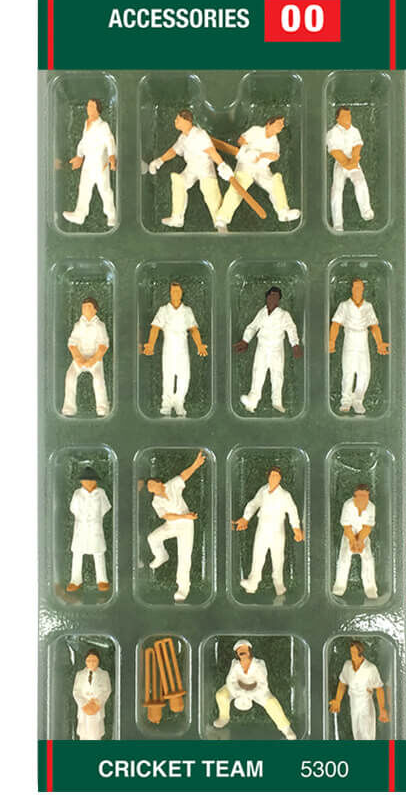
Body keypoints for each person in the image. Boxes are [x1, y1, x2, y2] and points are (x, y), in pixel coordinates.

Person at [212, 114, 300, 230]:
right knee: (238, 187)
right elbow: (241, 140)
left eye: (282, 124)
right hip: (246, 165)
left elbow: (274, 156)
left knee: (275, 181)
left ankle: (283, 212)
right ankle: (222, 219)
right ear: (269, 124)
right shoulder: (256, 130)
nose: (282, 126)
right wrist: (246, 149)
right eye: (279, 123)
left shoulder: (274, 141)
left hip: (262, 168)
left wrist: (261, 155)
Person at [148, 109, 234, 228]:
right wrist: (160, 160)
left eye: (178, 119)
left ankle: (220, 223)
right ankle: (177, 218)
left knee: (210, 191)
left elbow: (211, 151)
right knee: (178, 181)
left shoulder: (200, 134)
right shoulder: (183, 138)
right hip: (191, 168)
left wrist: (222, 165)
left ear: (187, 121)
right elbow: (173, 151)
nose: (175, 121)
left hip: (204, 167)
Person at [142, 450, 206, 602]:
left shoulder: (171, 485)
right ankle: (161, 555)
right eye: (149, 488)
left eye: (151, 484)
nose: (151, 488)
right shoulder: (156, 501)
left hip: (186, 526)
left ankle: (183, 588)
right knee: (152, 538)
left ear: (159, 482)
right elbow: (167, 516)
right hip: (172, 524)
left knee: (184, 557)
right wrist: (184, 516)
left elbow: (184, 475)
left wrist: (196, 464)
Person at [232, 466, 302, 596]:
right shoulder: (263, 491)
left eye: (276, 476)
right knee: (258, 554)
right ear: (268, 477)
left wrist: (296, 529)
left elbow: (292, 511)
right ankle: (252, 582)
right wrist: (245, 518)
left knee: (277, 557)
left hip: (277, 529)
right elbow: (254, 504)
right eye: (272, 476)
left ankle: (279, 585)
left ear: (280, 479)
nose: (274, 478)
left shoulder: (285, 495)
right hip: (262, 527)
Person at [142, 281, 207, 417]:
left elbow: (193, 329)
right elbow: (155, 328)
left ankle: (179, 403)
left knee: (184, 376)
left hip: (183, 349)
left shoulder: (187, 311)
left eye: (178, 291)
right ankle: (166, 405)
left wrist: (199, 345)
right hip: (169, 349)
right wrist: (150, 344)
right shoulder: (163, 310)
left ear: (182, 293)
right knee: (168, 376)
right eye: (173, 291)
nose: (175, 294)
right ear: (170, 293)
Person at [235, 285, 301, 414]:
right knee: (258, 373)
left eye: (275, 296)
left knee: (277, 375)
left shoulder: (283, 315)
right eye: (271, 295)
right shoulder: (262, 312)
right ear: (267, 297)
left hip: (276, 348)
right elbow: (253, 326)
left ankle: (277, 402)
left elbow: (291, 329)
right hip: (262, 347)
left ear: (279, 299)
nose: (272, 298)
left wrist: (295, 344)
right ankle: (252, 401)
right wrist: (245, 340)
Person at [328, 278, 389, 414]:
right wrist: (331, 340)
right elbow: (336, 324)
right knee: (348, 371)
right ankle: (345, 401)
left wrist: (379, 343)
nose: (358, 290)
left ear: (363, 289)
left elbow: (374, 326)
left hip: (363, 341)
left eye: (360, 287)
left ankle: (358, 400)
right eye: (355, 287)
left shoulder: (368, 306)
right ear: (351, 289)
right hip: (350, 339)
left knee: (364, 372)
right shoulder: (344, 305)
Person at [213, 639, 295, 739]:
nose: (242, 654)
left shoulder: (259, 664)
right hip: (237, 689)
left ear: (249, 651)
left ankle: (286, 729)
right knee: (221, 695)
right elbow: (230, 680)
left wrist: (251, 692)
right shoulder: (235, 664)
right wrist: (238, 691)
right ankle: (224, 717)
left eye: (244, 651)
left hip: (257, 691)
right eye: (240, 652)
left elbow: (262, 682)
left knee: (272, 703)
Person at [61, 98, 117, 227]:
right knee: (84, 188)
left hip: (100, 163)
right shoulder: (87, 123)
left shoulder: (103, 126)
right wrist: (79, 156)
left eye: (91, 107)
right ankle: (79, 215)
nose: (88, 109)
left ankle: (112, 216)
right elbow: (83, 141)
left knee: (104, 190)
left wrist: (111, 157)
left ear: (98, 110)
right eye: (88, 106)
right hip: (88, 163)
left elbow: (110, 141)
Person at [325, 106, 374, 231]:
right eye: (344, 116)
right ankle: (337, 223)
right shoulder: (332, 133)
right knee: (337, 191)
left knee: (360, 182)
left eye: (349, 115)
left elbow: (357, 146)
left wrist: (354, 161)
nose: (348, 118)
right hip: (340, 163)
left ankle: (366, 211)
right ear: (337, 118)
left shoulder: (354, 130)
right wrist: (346, 164)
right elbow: (335, 151)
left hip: (353, 161)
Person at [329, 641, 388, 740]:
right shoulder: (347, 666)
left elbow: (379, 688)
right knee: (356, 731)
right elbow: (342, 683)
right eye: (351, 652)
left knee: (367, 732)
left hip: (365, 704)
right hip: (354, 704)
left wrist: (382, 709)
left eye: (354, 652)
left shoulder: (370, 668)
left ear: (360, 652)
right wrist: (338, 700)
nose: (352, 654)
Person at [61, 297, 109, 417]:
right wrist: (78, 358)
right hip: (79, 357)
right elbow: (72, 343)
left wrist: (93, 360)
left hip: (95, 359)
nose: (85, 309)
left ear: (95, 310)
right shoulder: (78, 325)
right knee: (70, 376)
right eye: (84, 307)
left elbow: (103, 345)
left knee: (98, 379)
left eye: (88, 307)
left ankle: (102, 407)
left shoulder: (100, 326)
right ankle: (69, 407)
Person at [66, 467, 111, 592]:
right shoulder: (77, 494)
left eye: (92, 480)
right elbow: (73, 508)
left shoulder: (101, 493)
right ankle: (75, 580)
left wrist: (96, 518)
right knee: (77, 553)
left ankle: (102, 580)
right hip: (81, 527)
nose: (89, 483)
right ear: (81, 481)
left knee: (98, 553)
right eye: (86, 480)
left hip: (96, 527)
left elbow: (105, 507)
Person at [331, 483, 378, 598]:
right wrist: (352, 541)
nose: (362, 499)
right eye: (360, 495)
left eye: (365, 496)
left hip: (363, 534)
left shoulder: (371, 507)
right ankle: (339, 587)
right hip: (349, 533)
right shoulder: (348, 505)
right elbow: (346, 526)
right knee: (344, 559)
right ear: (355, 495)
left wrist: (360, 541)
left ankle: (371, 589)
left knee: (368, 559)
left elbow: (368, 526)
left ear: (368, 495)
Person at [72, 649, 112, 740]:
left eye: (94, 661)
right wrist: (84, 704)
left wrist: (96, 703)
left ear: (98, 661)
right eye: (89, 660)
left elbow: (106, 691)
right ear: (85, 661)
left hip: (96, 708)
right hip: (84, 709)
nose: (91, 663)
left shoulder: (104, 674)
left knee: (95, 734)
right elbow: (76, 692)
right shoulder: (80, 674)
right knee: (83, 733)